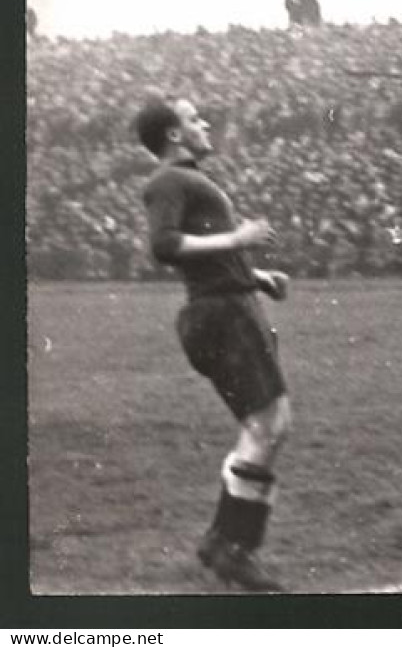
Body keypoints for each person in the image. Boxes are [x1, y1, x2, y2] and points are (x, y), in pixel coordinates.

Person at [136, 95, 292, 590]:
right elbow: (165, 246)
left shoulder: (190, 179)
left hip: (229, 304)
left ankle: (222, 542)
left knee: (266, 424)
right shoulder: (167, 180)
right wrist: (238, 241)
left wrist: (258, 276)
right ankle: (233, 548)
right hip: (221, 314)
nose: (204, 124)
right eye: (194, 119)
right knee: (269, 424)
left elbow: (206, 257)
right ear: (175, 134)